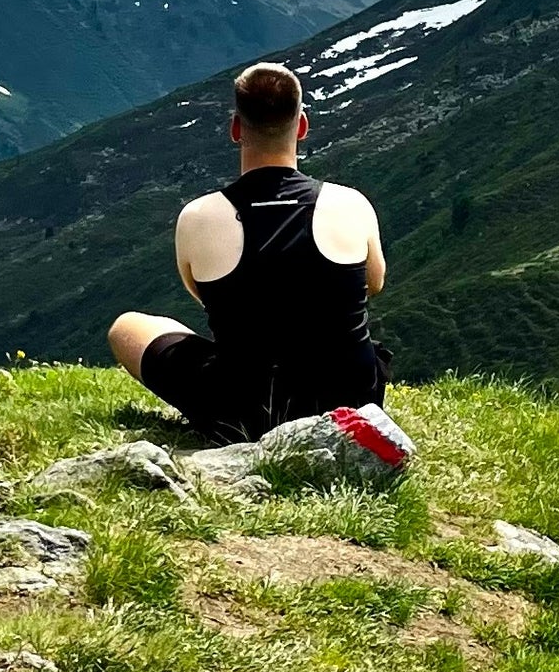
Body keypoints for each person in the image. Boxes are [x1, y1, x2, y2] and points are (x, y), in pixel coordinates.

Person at [107, 60, 388, 436]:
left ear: (236, 129)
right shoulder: (351, 204)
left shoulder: (198, 216)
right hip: (351, 401)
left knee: (126, 327)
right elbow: (374, 283)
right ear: (301, 126)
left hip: (243, 409)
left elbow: (204, 296)